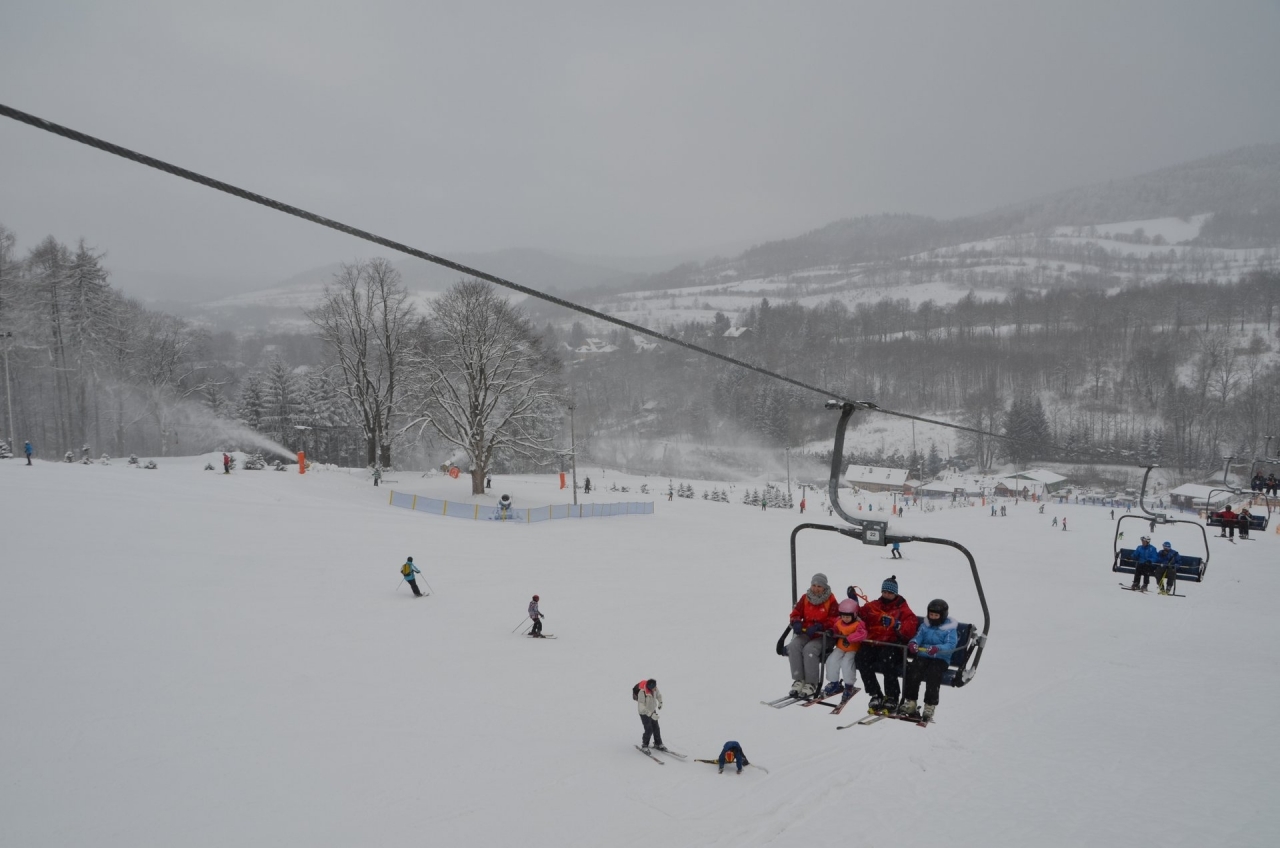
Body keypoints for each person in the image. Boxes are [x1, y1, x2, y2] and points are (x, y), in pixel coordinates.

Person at [856, 576, 919, 715]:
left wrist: (897, 625)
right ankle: (875, 693)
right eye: (884, 592)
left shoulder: (902, 608)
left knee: (887, 659)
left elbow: (911, 626)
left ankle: (892, 696)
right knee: (861, 657)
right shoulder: (874, 605)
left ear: (895, 593)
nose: (886, 595)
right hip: (875, 643)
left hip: (893, 645)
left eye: (890, 593)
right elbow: (860, 614)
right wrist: (854, 602)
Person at [900, 599, 959, 723]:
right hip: (924, 655)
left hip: (940, 658)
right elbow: (918, 636)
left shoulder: (949, 628)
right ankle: (911, 701)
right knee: (914, 669)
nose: (933, 618)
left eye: (936, 615)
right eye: (931, 615)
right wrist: (913, 643)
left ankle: (929, 705)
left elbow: (951, 645)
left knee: (933, 673)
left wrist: (938, 649)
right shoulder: (925, 626)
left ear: (943, 616)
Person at [787, 573, 839, 699]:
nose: (816, 589)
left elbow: (835, 619)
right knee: (794, 645)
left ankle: (811, 682)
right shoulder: (805, 598)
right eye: (814, 585)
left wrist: (821, 626)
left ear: (825, 588)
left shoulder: (830, 600)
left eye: (819, 586)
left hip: (823, 635)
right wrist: (796, 621)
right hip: (807, 632)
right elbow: (796, 612)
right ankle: (799, 679)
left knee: (810, 649)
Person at [821, 598, 867, 701]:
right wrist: (832, 631)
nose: (845, 619)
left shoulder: (858, 624)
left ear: (854, 615)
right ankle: (834, 682)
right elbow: (836, 628)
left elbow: (862, 634)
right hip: (840, 647)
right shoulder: (839, 621)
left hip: (852, 649)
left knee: (847, 663)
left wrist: (850, 638)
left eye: (848, 617)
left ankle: (849, 685)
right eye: (843, 616)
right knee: (832, 660)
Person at [635, 679, 665, 752]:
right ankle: (645, 745)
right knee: (649, 729)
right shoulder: (642, 693)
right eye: (654, 687)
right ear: (650, 687)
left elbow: (658, 695)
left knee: (656, 728)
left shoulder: (654, 689)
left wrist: (660, 702)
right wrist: (651, 714)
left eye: (656, 686)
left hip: (652, 711)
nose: (656, 688)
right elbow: (641, 708)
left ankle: (658, 743)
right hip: (644, 713)